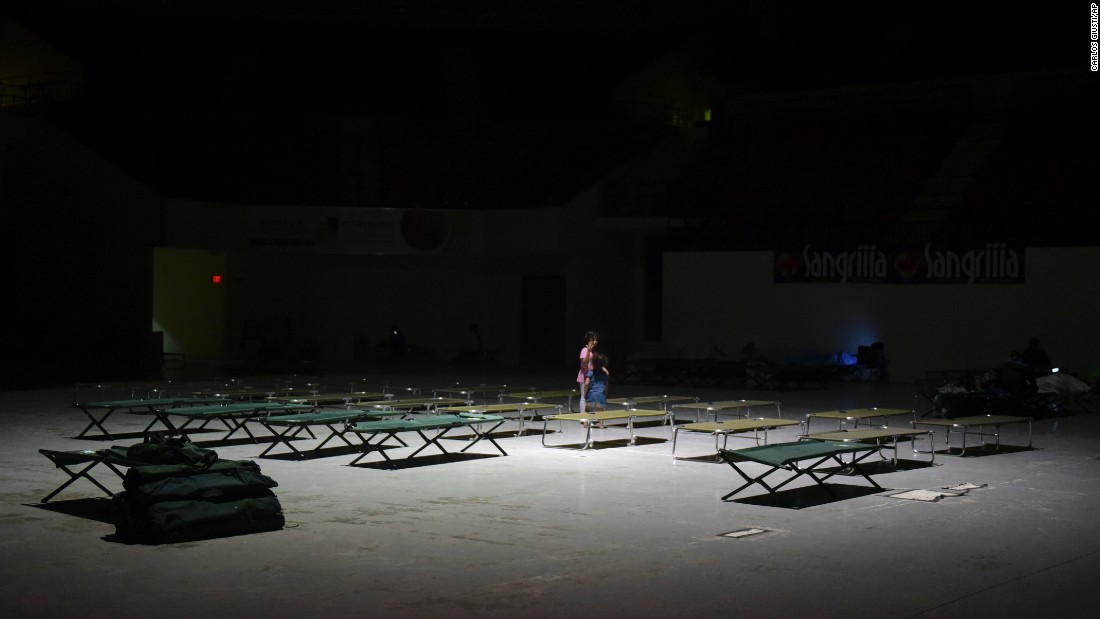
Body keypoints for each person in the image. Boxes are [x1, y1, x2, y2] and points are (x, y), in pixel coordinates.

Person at [576, 330, 598, 412]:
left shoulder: (593, 351)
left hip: (592, 375)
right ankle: (583, 416)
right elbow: (584, 363)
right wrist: (588, 351)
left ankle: (590, 415)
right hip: (584, 375)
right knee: (584, 396)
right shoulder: (584, 350)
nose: (595, 341)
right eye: (593, 339)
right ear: (588, 341)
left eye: (596, 339)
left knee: (591, 396)